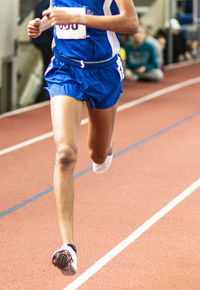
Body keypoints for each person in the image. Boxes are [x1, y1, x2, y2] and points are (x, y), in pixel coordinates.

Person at [27, 0, 139, 276]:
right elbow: (59, 18)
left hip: (104, 72)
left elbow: (131, 23)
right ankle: (68, 246)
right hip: (66, 69)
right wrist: (44, 24)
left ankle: (105, 144)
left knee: (98, 155)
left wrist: (78, 17)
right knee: (65, 153)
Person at [31, 0, 54, 102]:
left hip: (42, 41)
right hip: (45, 41)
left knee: (46, 67)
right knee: (47, 67)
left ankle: (44, 94)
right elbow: (49, 21)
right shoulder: (46, 4)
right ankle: (45, 94)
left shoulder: (42, 4)